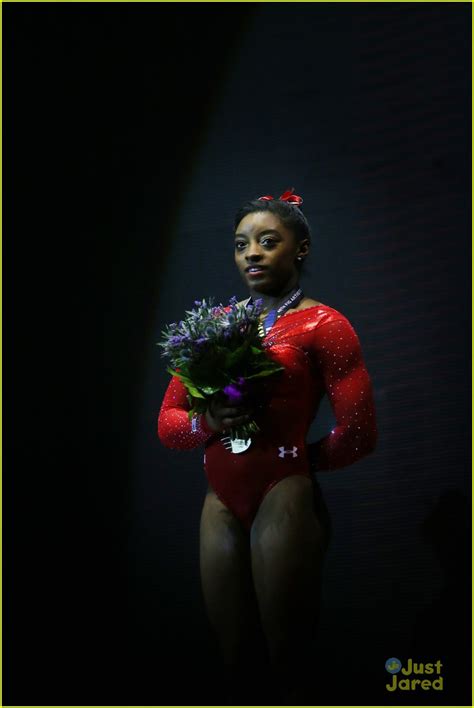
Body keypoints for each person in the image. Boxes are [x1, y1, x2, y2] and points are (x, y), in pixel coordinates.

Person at [157, 188, 378, 704]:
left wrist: (299, 459)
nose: (251, 253)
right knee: (234, 656)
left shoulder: (326, 325)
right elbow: (168, 424)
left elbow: (361, 433)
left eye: (267, 241)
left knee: (288, 654)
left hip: (283, 490)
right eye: (241, 244)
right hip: (221, 498)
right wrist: (207, 420)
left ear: (299, 248)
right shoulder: (212, 328)